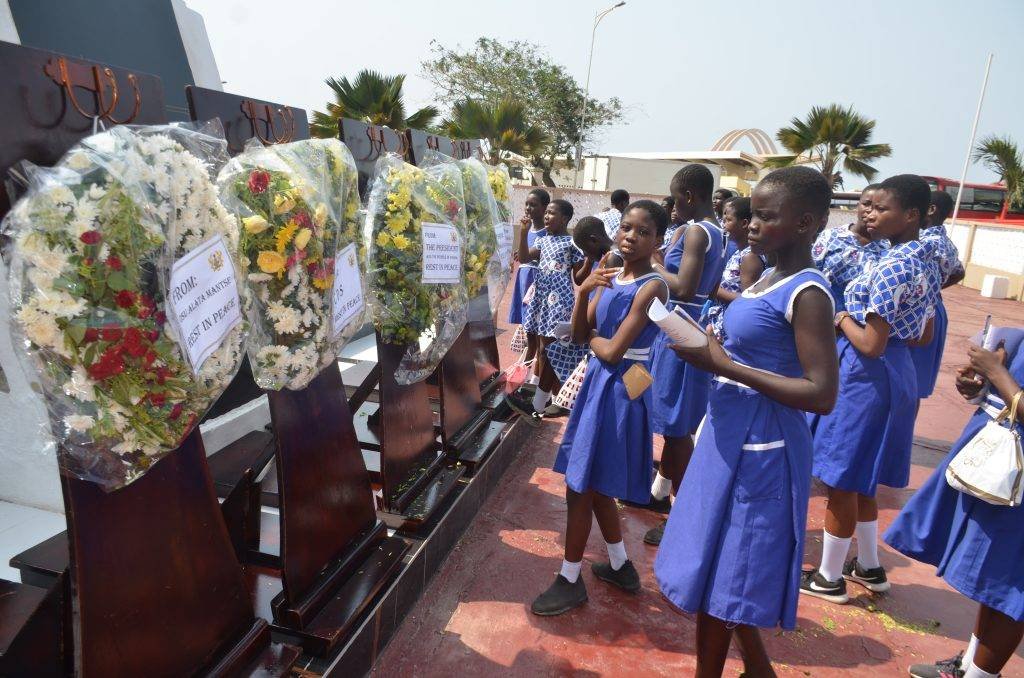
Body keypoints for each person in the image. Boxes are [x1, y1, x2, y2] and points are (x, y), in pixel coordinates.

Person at [654, 166, 839, 676]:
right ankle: (759, 669)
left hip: (763, 446)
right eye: (751, 214)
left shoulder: (808, 293)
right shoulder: (765, 279)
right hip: (728, 433)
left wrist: (724, 365)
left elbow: (822, 393)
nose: (751, 224)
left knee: (730, 573)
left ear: (806, 223)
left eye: (765, 216)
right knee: (720, 560)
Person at [802, 174, 942, 604]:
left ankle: (828, 578)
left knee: (842, 478)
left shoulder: (891, 265)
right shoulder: (926, 259)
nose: (870, 213)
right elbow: (923, 334)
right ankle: (869, 564)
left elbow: (870, 342)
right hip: (898, 370)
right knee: (863, 479)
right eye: (869, 206)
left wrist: (842, 317)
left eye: (882, 208)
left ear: (912, 215)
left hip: (866, 372)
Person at [530, 200, 669, 616]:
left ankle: (569, 579)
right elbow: (578, 331)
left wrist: (591, 336)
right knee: (595, 481)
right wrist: (583, 291)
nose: (630, 236)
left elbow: (610, 350)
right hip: (601, 384)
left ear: (658, 240)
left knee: (580, 487)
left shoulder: (652, 286)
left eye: (643, 232)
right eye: (626, 227)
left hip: (623, 388)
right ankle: (622, 566)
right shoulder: (610, 271)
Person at [885, 338, 1024, 678]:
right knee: (993, 576)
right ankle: (970, 666)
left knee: (1013, 587)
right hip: (1005, 472)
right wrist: (980, 385)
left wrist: (997, 372)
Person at [640, 164, 725, 536]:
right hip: (686, 326)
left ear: (690, 196)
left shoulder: (696, 232)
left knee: (676, 428)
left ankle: (682, 513)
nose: (675, 206)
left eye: (677, 198)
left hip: (677, 326)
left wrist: (653, 262)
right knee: (676, 424)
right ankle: (662, 495)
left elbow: (686, 287)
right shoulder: (718, 232)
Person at [507, 199, 585, 423]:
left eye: (552, 213)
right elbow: (523, 258)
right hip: (541, 299)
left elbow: (578, 277)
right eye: (547, 213)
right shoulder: (542, 240)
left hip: (558, 302)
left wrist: (589, 260)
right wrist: (522, 234)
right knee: (542, 349)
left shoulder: (572, 244)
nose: (547, 217)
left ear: (565, 219)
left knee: (550, 350)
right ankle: (549, 397)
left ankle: (547, 400)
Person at [543, 217, 623, 419]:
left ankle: (543, 402)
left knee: (556, 349)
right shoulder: (608, 256)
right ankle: (548, 400)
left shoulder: (613, 259)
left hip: (602, 336)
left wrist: (583, 298)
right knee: (553, 349)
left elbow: (599, 300)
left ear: (594, 240)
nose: (586, 255)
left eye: (586, 250)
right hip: (600, 332)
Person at [908, 190, 965, 401]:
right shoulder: (947, 243)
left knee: (902, 377)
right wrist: (936, 287)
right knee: (914, 384)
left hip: (916, 312)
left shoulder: (922, 242)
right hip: (934, 310)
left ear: (930, 209)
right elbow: (960, 272)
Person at [811, 184, 888, 312]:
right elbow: (812, 273)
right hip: (823, 315)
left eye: (879, 207)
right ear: (858, 205)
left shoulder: (888, 248)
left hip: (864, 324)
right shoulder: (830, 237)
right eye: (866, 204)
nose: (870, 210)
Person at [704, 196, 767, 341]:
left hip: (730, 328)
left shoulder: (749, 257)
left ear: (744, 223)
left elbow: (749, 300)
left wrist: (715, 290)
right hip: (721, 320)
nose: (723, 225)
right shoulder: (739, 253)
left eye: (728, 220)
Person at [508, 188, 551, 386]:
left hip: (535, 281)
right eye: (527, 204)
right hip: (523, 278)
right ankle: (525, 369)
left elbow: (538, 255)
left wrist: (525, 255)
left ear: (544, 208)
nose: (528, 208)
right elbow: (524, 253)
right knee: (527, 329)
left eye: (533, 204)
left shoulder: (547, 233)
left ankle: (533, 376)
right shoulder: (529, 229)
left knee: (535, 332)